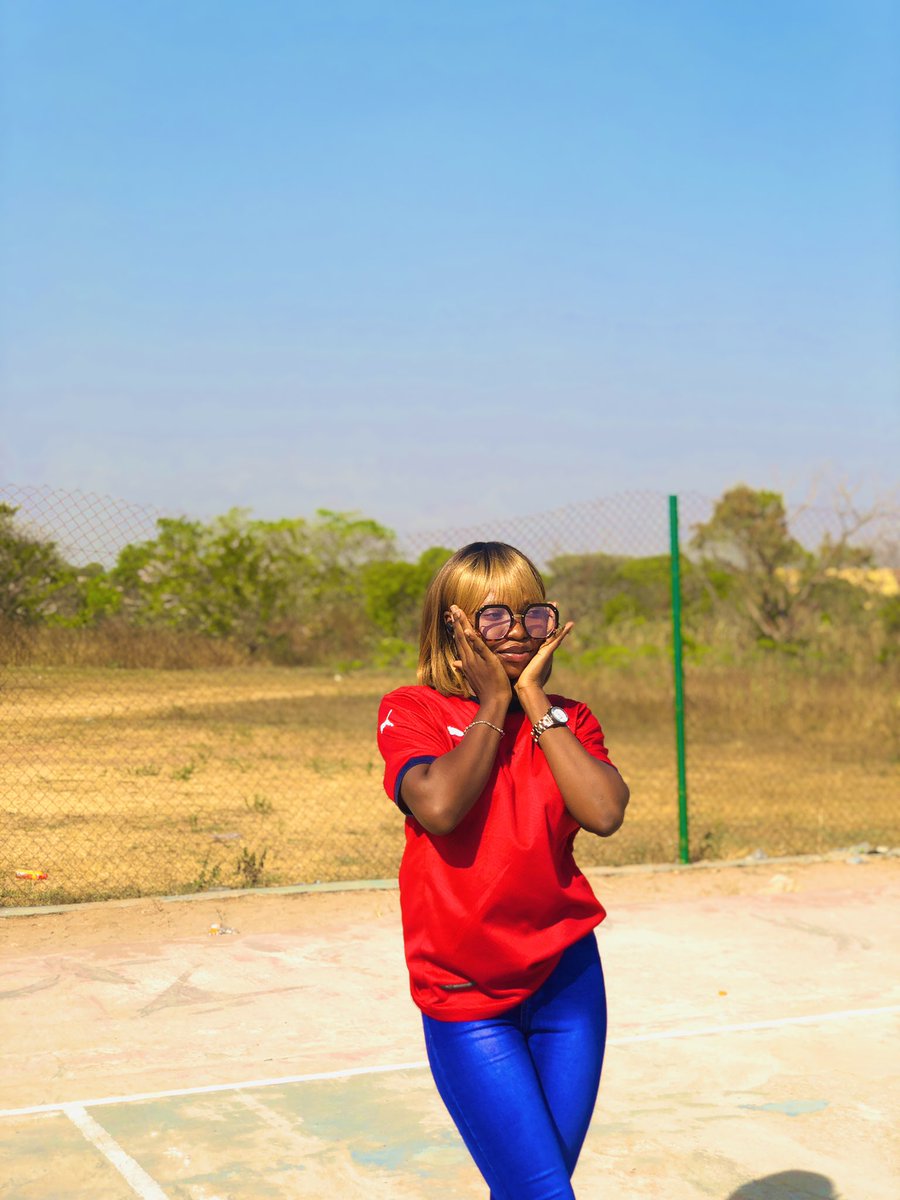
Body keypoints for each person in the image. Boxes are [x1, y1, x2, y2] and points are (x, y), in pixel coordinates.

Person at [376, 541, 629, 1200]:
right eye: (494, 618)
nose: (517, 633)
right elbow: (440, 806)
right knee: (542, 1193)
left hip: (567, 983)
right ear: (452, 629)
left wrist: (533, 703)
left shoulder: (567, 720)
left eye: (531, 615)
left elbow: (603, 812)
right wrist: (493, 704)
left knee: (534, 1189)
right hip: (466, 995)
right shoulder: (415, 709)